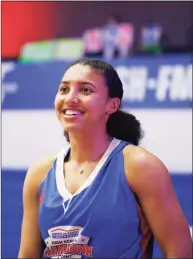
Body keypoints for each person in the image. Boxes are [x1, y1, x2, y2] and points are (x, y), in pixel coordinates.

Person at [18, 59, 192, 258]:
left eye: (85, 90)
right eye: (64, 89)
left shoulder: (139, 166)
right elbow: (27, 254)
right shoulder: (39, 173)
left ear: (112, 105)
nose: (70, 98)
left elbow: (180, 252)